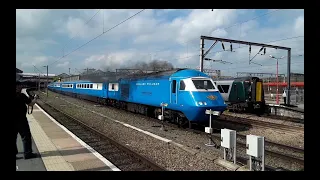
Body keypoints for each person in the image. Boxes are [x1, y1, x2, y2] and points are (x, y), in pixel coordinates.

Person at [16, 81, 38, 159]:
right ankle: (28, 153)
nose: (21, 88)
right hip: (21, 120)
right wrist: (35, 98)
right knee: (26, 137)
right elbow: (31, 104)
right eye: (20, 86)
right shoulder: (21, 96)